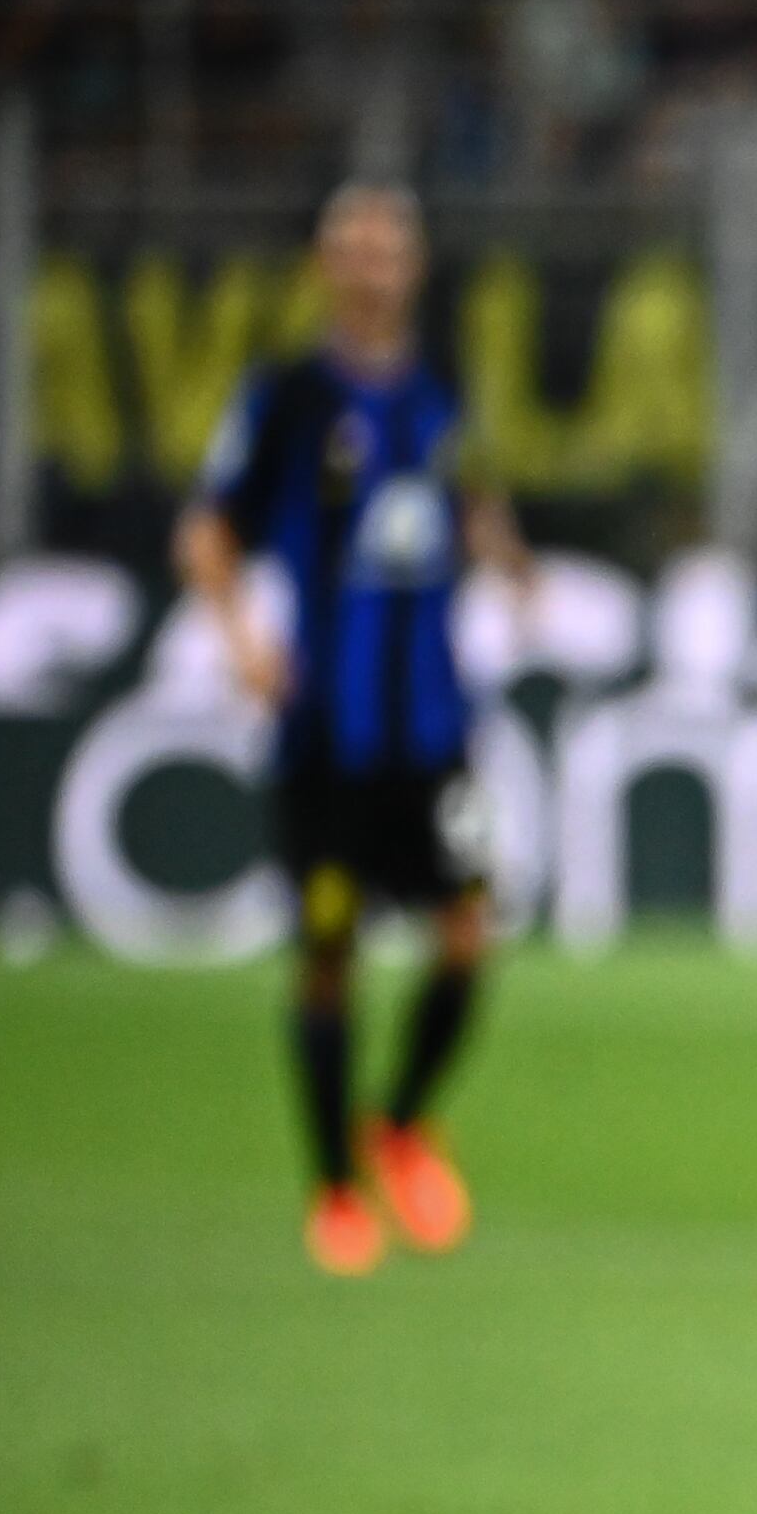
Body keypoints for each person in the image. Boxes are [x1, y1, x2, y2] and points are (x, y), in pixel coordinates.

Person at [178, 181, 535, 1270]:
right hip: (327, 738)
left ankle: (399, 1120)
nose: (372, 268)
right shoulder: (285, 397)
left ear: (413, 266)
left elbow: (471, 501)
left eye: (389, 249)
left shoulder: (438, 395)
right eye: (353, 250)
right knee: (327, 956)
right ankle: (334, 1186)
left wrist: (507, 558)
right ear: (327, 269)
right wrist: (241, 638)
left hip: (436, 734)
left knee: (469, 936)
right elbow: (208, 532)